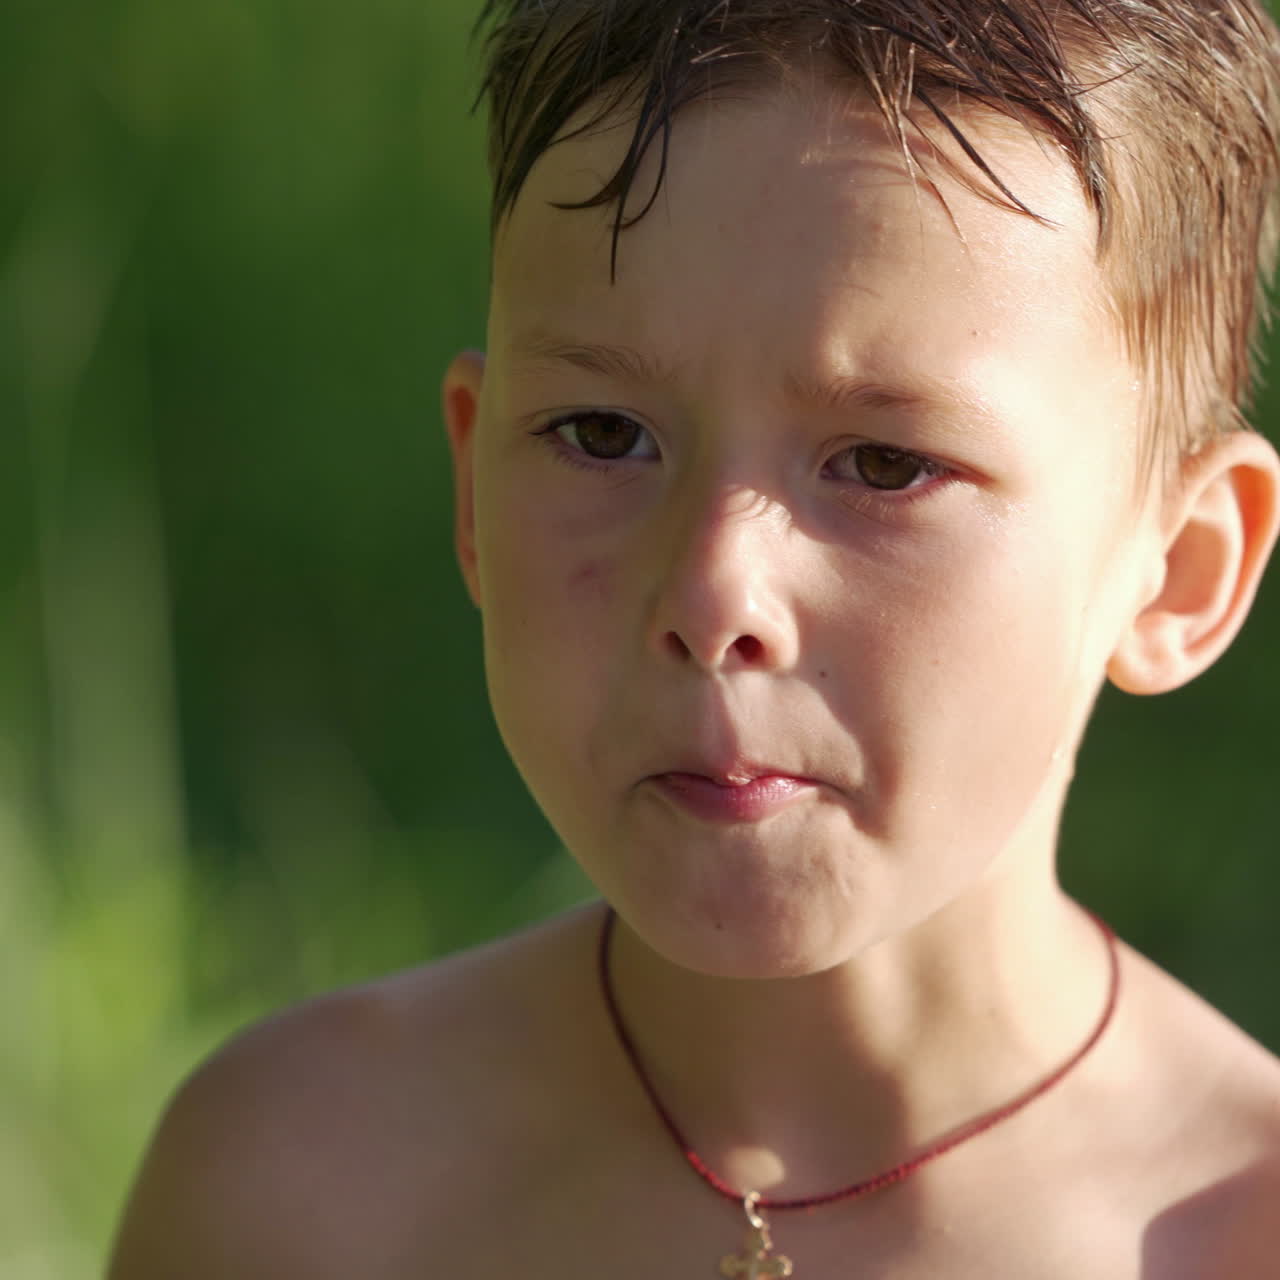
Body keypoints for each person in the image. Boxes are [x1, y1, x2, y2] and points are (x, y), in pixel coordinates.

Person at [108, 1, 1280, 1275]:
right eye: (602, 434)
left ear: (1176, 570)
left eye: (884, 463)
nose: (712, 592)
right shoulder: (298, 1185)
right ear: (472, 490)